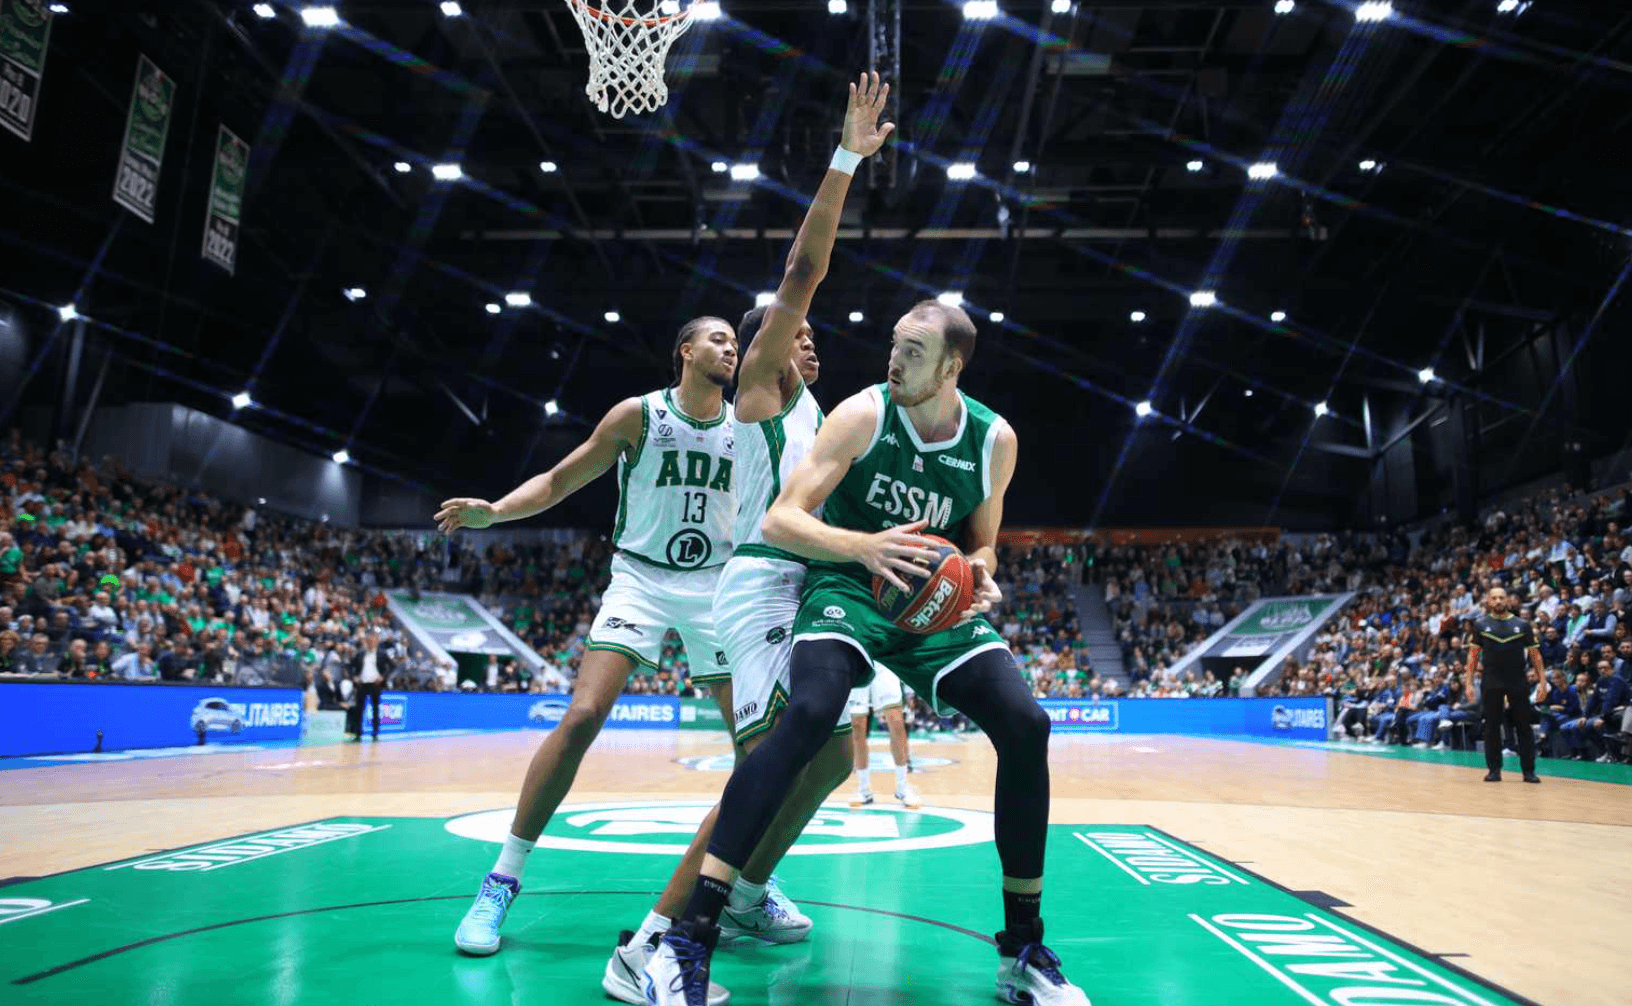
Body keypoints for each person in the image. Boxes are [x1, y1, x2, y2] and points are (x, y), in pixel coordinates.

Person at [646, 299, 1090, 1002]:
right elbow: (782, 519)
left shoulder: (993, 440)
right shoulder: (862, 413)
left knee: (1027, 723)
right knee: (810, 714)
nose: (894, 361)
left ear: (952, 366)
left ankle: (1023, 951)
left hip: (928, 602)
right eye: (894, 346)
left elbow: (983, 542)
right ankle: (687, 937)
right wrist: (866, 548)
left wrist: (981, 573)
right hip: (848, 584)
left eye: (913, 352)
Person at [600, 72, 891, 1006]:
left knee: (833, 756)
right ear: (769, 344)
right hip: (762, 584)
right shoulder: (762, 388)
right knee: (763, 762)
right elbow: (803, 274)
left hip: (810, 586)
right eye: (795, 336)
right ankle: (650, 945)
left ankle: (750, 892)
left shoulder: (821, 416)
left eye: (809, 339)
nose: (809, 343)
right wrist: (845, 158)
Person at [438, 303, 741, 957]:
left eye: (736, 343)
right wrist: (496, 512)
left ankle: (748, 886)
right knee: (581, 715)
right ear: (685, 352)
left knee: (757, 749)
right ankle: (501, 879)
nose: (731, 349)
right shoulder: (640, 415)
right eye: (718, 340)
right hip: (641, 578)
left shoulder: (748, 426)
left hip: (715, 587)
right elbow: (558, 480)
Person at [1465, 586, 1542, 783]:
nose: (1498, 601)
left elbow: (1535, 654)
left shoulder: (1522, 624)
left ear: (1507, 600)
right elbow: (1472, 657)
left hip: (1518, 679)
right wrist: (1468, 683)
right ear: (1488, 601)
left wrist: (1543, 681)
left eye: (1502, 598)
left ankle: (1529, 771)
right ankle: (1494, 770)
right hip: (1491, 680)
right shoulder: (1480, 625)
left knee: (1523, 726)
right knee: (1491, 726)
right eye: (1494, 598)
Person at [848, 660, 921, 808]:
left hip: (883, 662)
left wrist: (910, 690)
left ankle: (903, 787)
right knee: (857, 727)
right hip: (858, 661)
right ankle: (863, 790)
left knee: (897, 723)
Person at [347, 631, 393, 740]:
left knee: (375, 709)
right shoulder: (360, 653)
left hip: (375, 684)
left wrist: (383, 677)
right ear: (366, 642)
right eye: (369, 641)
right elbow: (350, 666)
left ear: (377, 642)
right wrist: (354, 676)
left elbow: (392, 666)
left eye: (373, 641)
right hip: (362, 684)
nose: (371, 643)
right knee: (359, 709)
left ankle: (375, 732)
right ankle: (358, 733)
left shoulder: (382, 654)